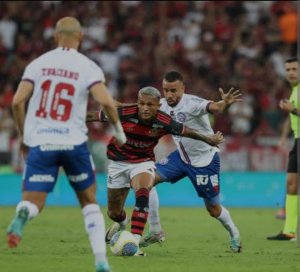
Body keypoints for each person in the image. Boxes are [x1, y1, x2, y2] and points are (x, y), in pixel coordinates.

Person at [6, 17, 127, 272]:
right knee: (89, 200)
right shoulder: (88, 67)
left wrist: (25, 136)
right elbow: (105, 101)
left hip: (42, 142)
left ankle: (23, 213)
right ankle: (101, 261)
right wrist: (118, 129)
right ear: (81, 36)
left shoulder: (38, 64)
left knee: (33, 201)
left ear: (55, 36)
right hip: (74, 143)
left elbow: (17, 102)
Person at [87, 86, 224, 256]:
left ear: (158, 105)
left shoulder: (164, 121)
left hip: (143, 162)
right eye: (142, 103)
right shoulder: (125, 112)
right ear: (137, 103)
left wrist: (208, 138)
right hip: (118, 163)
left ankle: (134, 243)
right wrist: (67, 121)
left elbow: (187, 131)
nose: (145, 108)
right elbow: (94, 116)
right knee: (114, 213)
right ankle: (122, 225)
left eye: (150, 104)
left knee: (144, 190)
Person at [139, 71, 243, 253]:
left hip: (204, 162)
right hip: (180, 157)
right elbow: (139, 108)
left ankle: (234, 233)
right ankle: (155, 230)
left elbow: (215, 107)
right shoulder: (161, 105)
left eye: (173, 91)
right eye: (166, 90)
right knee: (145, 180)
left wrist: (224, 104)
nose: (169, 95)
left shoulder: (192, 103)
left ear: (182, 89)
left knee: (213, 209)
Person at [267, 57, 299, 241]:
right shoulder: (295, 90)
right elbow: (291, 117)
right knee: (291, 184)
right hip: (297, 140)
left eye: (295, 69)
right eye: (288, 69)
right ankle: (289, 231)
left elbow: (294, 112)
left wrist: (293, 109)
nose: (291, 72)